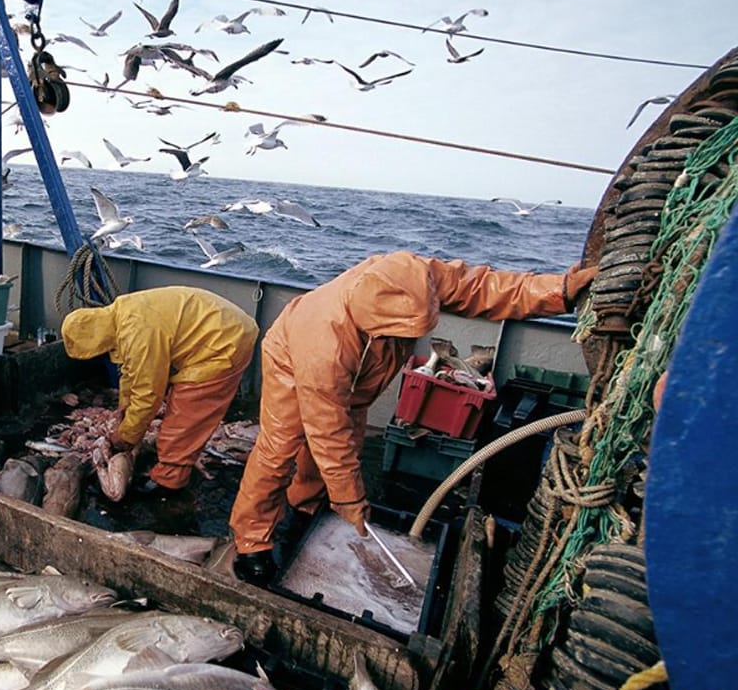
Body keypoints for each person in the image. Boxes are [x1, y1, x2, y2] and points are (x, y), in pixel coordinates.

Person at [229, 251, 599, 585]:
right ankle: (251, 540)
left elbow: (482, 288)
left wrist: (560, 291)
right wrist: (350, 498)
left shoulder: (419, 276)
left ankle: (305, 506)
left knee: (345, 442)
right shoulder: (323, 345)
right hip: (292, 361)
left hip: (359, 377)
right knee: (280, 448)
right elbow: (327, 431)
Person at [61, 286, 259, 496]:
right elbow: (132, 373)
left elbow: (148, 396)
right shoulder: (121, 313)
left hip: (224, 342)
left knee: (185, 417)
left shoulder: (138, 335)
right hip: (222, 326)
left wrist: (126, 436)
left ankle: (169, 483)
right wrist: (124, 410)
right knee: (176, 410)